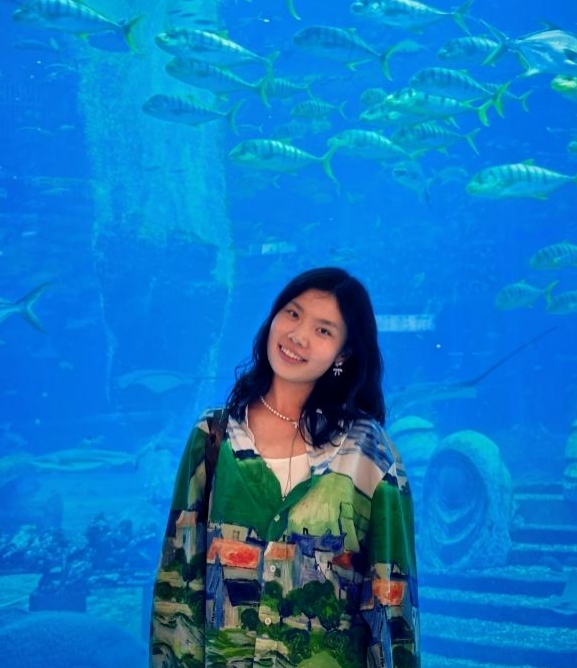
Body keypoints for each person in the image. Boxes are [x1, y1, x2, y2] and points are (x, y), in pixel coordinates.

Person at [150, 267, 420, 668]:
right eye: (292, 314)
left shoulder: (370, 456)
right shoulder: (214, 438)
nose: (298, 335)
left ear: (343, 354)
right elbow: (178, 586)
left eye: (323, 330)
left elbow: (392, 605)